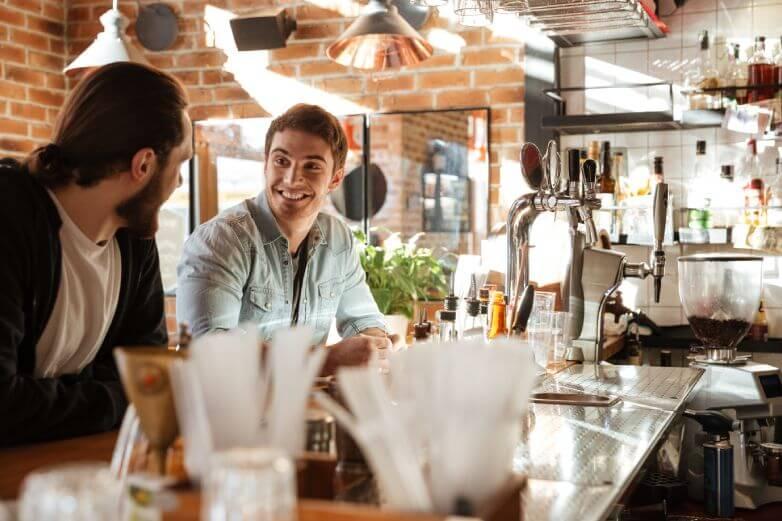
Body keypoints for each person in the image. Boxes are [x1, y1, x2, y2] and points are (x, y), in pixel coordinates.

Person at [0, 63, 192, 446]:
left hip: (65, 468)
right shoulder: (9, 217)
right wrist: (117, 396)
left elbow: (147, 371)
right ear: (144, 165)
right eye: (181, 163)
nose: (180, 181)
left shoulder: (134, 237)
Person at [177, 104, 390, 373]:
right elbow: (208, 349)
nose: (292, 178)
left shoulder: (339, 240)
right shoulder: (221, 240)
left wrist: (374, 344)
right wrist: (324, 360)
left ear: (335, 179)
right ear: (266, 164)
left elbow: (364, 319)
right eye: (281, 161)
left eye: (311, 166)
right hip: (222, 411)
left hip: (303, 409)